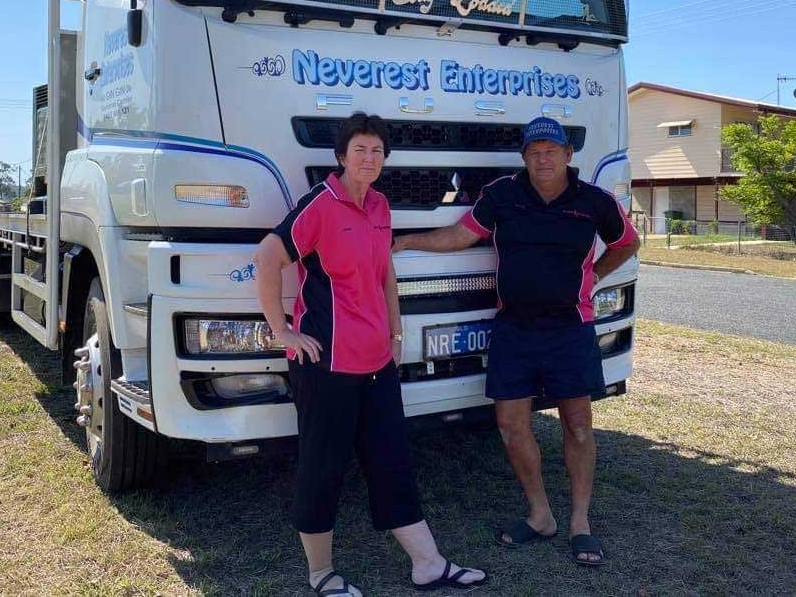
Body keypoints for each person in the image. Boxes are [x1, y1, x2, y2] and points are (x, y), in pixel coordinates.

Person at [254, 112, 486, 596]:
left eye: (377, 151)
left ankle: (429, 564)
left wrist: (397, 335)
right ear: (341, 157)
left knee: (392, 461)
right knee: (324, 467)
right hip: (328, 366)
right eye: (360, 149)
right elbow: (267, 256)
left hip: (377, 364)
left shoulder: (379, 205)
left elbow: (384, 274)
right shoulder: (321, 204)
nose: (369, 158)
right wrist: (283, 332)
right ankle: (321, 575)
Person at [393, 117, 640, 567]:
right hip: (514, 328)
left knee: (578, 424)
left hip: (570, 326)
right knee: (509, 424)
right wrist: (406, 239)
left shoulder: (595, 201)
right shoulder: (503, 194)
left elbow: (627, 242)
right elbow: (460, 236)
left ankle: (580, 523)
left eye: (551, 150)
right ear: (524, 158)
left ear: (568, 155)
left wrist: (595, 277)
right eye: (534, 151)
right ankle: (540, 514)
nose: (543, 158)